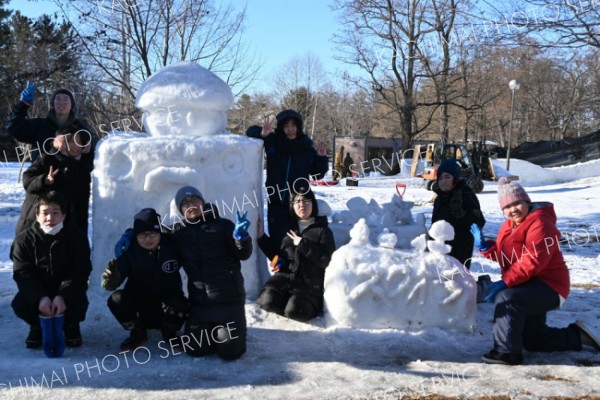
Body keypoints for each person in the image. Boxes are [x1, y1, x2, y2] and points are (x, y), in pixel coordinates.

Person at [472, 178, 600, 365]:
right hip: (527, 285)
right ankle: (576, 336)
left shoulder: (540, 223)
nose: (513, 209)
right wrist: (486, 247)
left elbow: (533, 260)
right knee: (533, 340)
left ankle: (506, 352)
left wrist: (505, 282)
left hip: (549, 286)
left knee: (507, 299)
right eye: (507, 207)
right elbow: (509, 256)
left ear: (527, 202)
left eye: (517, 203)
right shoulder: (509, 225)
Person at [172, 186, 252, 360]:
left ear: (203, 203)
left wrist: (242, 239)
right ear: (180, 210)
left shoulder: (223, 226)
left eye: (195, 200)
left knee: (230, 352)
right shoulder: (178, 234)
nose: (191, 205)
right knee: (195, 349)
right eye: (185, 203)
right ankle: (212, 330)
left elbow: (243, 255)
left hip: (229, 302)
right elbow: (154, 234)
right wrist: (132, 234)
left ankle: (226, 331)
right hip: (200, 304)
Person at [11, 191, 91, 354]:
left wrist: (63, 295)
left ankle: (70, 325)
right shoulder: (23, 240)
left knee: (78, 300)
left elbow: (80, 271)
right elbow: (22, 274)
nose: (50, 218)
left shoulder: (78, 237)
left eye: (55, 213)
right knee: (20, 304)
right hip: (40, 290)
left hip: (65, 289)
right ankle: (37, 325)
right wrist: (40, 298)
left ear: (64, 214)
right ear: (37, 215)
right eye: (45, 213)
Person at [102, 208, 188, 351]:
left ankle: (169, 332)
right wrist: (111, 277)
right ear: (136, 236)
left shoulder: (172, 244)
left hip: (167, 307)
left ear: (160, 232)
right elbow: (110, 286)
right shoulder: (130, 250)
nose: (148, 239)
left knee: (181, 303)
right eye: (142, 235)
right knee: (116, 300)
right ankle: (138, 331)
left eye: (153, 234)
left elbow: (189, 224)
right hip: (140, 309)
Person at [246, 110, 328, 244]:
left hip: (300, 202)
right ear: (281, 128)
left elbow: (317, 174)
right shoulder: (273, 141)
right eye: (286, 126)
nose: (290, 130)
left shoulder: (307, 147)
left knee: (299, 242)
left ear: (299, 127)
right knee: (278, 241)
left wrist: (321, 158)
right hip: (277, 200)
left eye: (293, 125)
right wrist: (261, 133)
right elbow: (250, 131)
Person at [256, 187, 335, 322]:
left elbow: (326, 261)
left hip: (309, 283)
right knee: (266, 301)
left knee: (295, 311)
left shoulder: (323, 231)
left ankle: (294, 303)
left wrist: (303, 243)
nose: (301, 205)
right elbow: (277, 255)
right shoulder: (288, 229)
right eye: (297, 202)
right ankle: (286, 299)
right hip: (285, 278)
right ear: (292, 206)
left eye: (306, 201)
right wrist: (262, 237)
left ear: (313, 204)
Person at [15, 123, 94, 235]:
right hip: (35, 227)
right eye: (71, 141)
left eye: (80, 142)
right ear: (62, 141)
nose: (76, 146)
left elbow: (81, 207)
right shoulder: (48, 158)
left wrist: (81, 237)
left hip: (65, 230)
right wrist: (44, 180)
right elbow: (27, 181)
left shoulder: (82, 167)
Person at [4, 82, 92, 161]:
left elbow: (92, 158)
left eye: (65, 99)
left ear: (72, 105)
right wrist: (23, 105)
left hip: (71, 178)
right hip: (40, 177)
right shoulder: (38, 126)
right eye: (58, 99)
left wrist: (89, 145)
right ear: (52, 104)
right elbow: (13, 127)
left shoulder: (81, 130)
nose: (61, 103)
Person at [431, 159, 485, 269]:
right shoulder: (439, 198)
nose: (443, 181)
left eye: (447, 177)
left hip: (460, 249)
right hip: (440, 248)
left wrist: (462, 216)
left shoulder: (465, 195)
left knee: (457, 281)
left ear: (454, 179)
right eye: (440, 178)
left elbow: (479, 221)